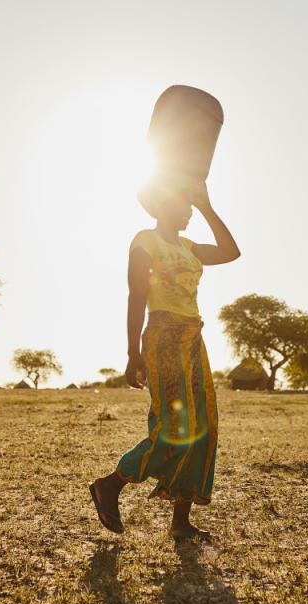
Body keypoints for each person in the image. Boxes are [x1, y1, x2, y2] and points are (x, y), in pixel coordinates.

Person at [89, 177, 240, 541]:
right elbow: (136, 296)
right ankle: (110, 484)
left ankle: (180, 521)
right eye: (184, 203)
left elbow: (231, 251)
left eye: (191, 205)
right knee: (172, 431)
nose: (188, 209)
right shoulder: (145, 240)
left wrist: (206, 206)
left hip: (192, 338)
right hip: (162, 338)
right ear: (162, 203)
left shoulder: (190, 246)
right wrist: (133, 353)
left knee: (203, 426)